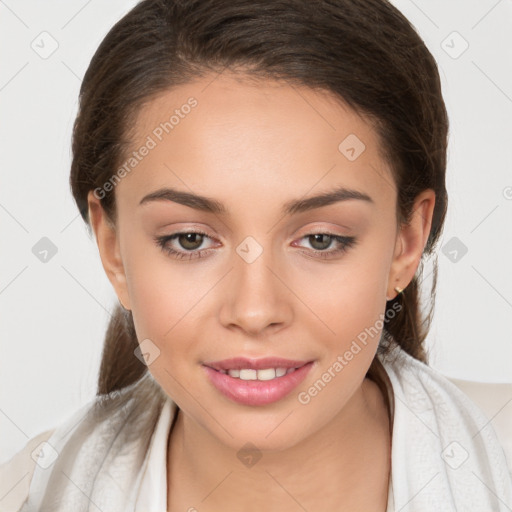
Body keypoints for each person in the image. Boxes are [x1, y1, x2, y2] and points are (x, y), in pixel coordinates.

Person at [1, 0, 511, 511]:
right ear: (114, 250)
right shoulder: (25, 491)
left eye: (320, 239)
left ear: (406, 242)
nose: (255, 310)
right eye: (190, 239)